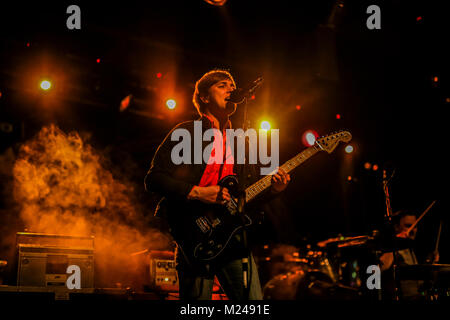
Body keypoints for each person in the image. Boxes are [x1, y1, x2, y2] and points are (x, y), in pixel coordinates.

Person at [144, 69, 290, 300]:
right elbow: (154, 179)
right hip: (194, 232)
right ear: (204, 97)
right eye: (223, 85)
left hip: (232, 237)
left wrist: (274, 190)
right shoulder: (186, 132)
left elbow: (244, 195)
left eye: (233, 85)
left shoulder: (243, 140)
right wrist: (197, 192)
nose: (231, 89)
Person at [379, 209, 439, 300]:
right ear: (396, 227)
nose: (413, 230)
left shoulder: (412, 250)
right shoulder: (391, 250)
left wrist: (431, 264)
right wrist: (396, 244)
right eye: (408, 226)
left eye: (415, 226)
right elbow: (376, 270)